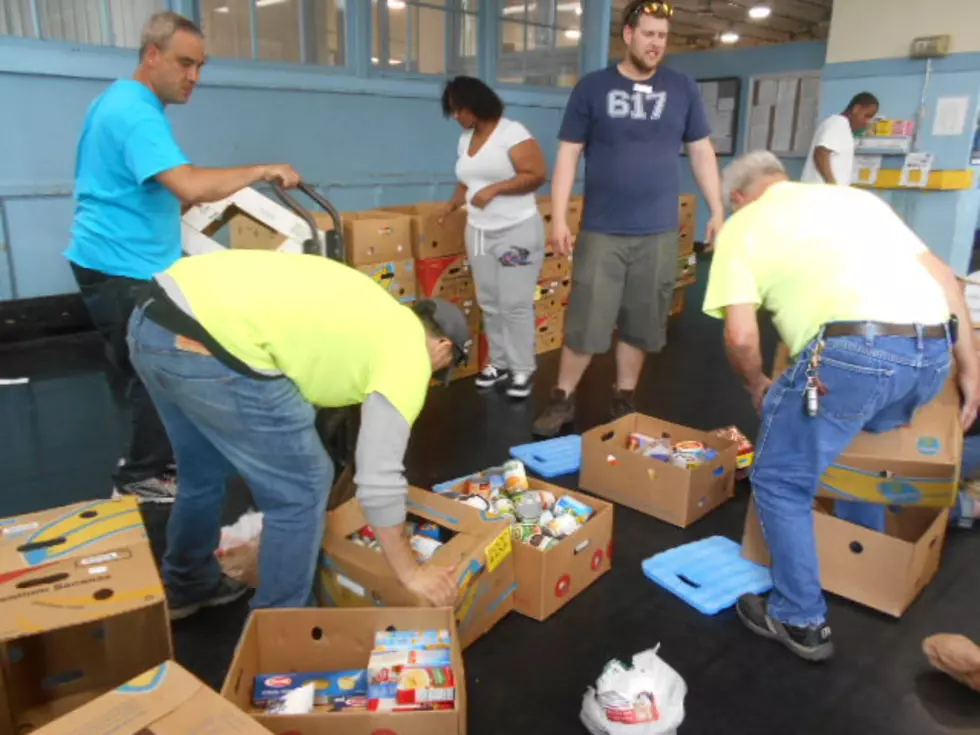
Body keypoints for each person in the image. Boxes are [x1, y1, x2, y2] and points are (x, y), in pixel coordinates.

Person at [703, 150, 980, 662]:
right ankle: (864, 556)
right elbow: (945, 276)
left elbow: (741, 337)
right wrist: (971, 368)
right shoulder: (856, 200)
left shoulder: (742, 226)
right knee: (856, 437)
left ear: (738, 198)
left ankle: (799, 618)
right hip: (933, 352)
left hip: (854, 355)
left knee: (780, 478)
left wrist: (758, 383)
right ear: (782, 180)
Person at [126, 249, 471, 618]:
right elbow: (378, 478)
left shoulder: (371, 308)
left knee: (202, 469)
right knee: (303, 487)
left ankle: (188, 585)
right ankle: (282, 627)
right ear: (442, 347)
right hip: (212, 349)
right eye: (441, 370)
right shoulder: (409, 354)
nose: (432, 377)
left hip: (151, 321)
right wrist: (411, 572)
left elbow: (301, 382)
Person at [64, 11, 301, 504]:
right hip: (122, 265)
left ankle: (145, 461)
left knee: (136, 366)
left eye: (200, 66)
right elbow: (187, 181)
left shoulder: (122, 99)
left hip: (110, 256)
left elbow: (153, 182)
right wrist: (262, 168)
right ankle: (141, 477)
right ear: (153, 56)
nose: (194, 77)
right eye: (185, 63)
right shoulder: (135, 112)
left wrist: (182, 198)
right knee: (158, 368)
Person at [531, 0, 724, 437]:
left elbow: (700, 150)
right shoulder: (592, 88)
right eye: (649, 33)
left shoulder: (683, 88)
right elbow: (567, 154)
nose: (656, 43)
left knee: (641, 322)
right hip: (602, 230)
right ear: (629, 35)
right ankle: (562, 399)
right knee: (586, 320)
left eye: (662, 36)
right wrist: (558, 217)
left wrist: (717, 208)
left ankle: (623, 399)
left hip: (657, 232)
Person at [439, 76, 548, 400]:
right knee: (489, 302)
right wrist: (449, 206)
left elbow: (537, 174)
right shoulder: (465, 139)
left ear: (477, 105)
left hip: (516, 232)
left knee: (514, 303)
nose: (456, 117)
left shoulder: (511, 134)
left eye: (459, 110)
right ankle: (499, 363)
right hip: (479, 233)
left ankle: (522, 369)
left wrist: (496, 188)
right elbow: (466, 180)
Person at [800, 92, 879, 186]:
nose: (867, 122)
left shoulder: (844, 128)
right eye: (866, 116)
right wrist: (833, 186)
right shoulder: (838, 123)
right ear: (856, 109)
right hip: (822, 194)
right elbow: (820, 153)